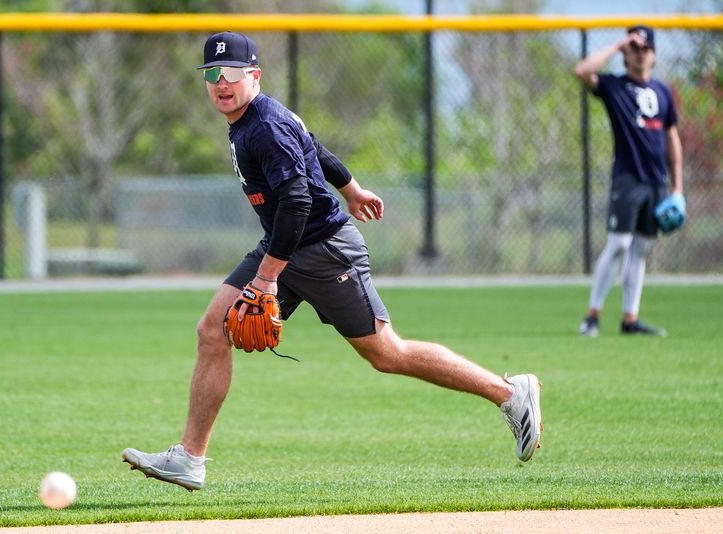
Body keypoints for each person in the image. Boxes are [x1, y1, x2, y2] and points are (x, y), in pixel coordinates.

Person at [121, 31, 543, 492]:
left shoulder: (264, 126)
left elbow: (298, 201)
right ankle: (190, 458)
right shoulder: (259, 117)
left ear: (254, 76)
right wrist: (353, 188)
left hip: (323, 249)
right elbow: (315, 149)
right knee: (212, 330)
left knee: (387, 353)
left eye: (231, 74)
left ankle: (510, 393)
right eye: (211, 75)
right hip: (285, 245)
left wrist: (265, 280)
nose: (221, 83)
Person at [575, 25, 684, 337]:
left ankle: (630, 319)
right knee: (619, 243)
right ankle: (592, 316)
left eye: (645, 48)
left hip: (656, 182)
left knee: (641, 248)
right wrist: (618, 45)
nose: (640, 53)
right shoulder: (615, 86)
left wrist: (678, 188)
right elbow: (582, 70)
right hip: (627, 178)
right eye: (635, 48)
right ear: (627, 55)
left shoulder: (663, 92)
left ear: (654, 56)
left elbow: (672, 138)